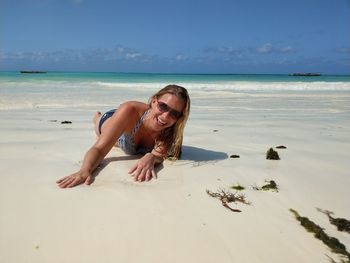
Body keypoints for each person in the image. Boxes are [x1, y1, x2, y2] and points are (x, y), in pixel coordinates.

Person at [57, 84, 190, 188]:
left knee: (114, 138)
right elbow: (99, 149)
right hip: (116, 119)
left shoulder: (172, 129)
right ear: (154, 101)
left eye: (174, 113)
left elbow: (159, 155)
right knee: (102, 129)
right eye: (163, 106)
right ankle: (97, 117)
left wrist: (152, 157)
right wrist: (84, 170)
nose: (166, 116)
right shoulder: (130, 109)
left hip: (124, 127)